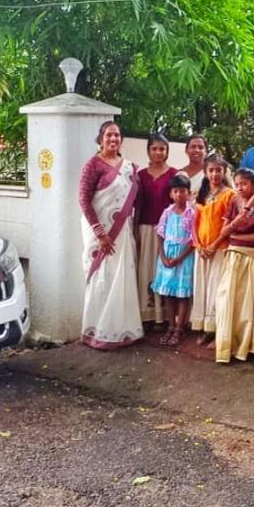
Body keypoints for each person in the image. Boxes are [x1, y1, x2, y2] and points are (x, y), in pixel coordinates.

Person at [77, 121, 144, 350]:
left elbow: (136, 202)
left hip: (122, 232)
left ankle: (124, 330)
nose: (113, 139)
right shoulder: (92, 165)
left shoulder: (130, 168)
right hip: (100, 234)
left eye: (117, 135)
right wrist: (100, 234)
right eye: (109, 135)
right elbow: (84, 200)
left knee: (122, 276)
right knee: (102, 278)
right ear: (101, 139)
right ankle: (98, 331)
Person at [213, 168, 254, 363]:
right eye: (237, 184)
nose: (240, 188)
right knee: (227, 299)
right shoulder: (234, 201)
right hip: (232, 256)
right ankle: (227, 344)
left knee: (246, 303)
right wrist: (236, 223)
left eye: (244, 184)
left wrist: (234, 236)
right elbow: (224, 231)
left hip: (251, 257)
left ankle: (247, 345)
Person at [190, 153, 234, 343]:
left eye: (218, 170)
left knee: (216, 287)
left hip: (220, 248)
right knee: (202, 286)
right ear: (205, 172)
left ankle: (215, 329)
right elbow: (194, 223)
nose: (215, 174)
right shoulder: (201, 195)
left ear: (224, 172)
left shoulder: (230, 195)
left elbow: (229, 224)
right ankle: (202, 326)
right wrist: (198, 245)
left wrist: (214, 245)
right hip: (201, 250)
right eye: (211, 170)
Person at [135, 133, 176, 329]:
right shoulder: (141, 175)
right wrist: (135, 229)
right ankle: (147, 315)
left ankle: (164, 316)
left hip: (167, 231)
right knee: (146, 269)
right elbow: (138, 204)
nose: (158, 152)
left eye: (162, 149)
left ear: (167, 152)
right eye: (154, 148)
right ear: (148, 151)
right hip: (145, 228)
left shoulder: (174, 174)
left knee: (164, 271)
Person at [151, 174, 196, 347]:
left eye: (182, 191)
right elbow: (160, 235)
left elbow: (193, 240)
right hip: (167, 257)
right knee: (168, 294)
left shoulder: (191, 214)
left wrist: (179, 258)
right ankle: (170, 326)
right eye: (175, 191)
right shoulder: (167, 212)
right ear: (171, 194)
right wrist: (163, 257)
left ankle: (179, 328)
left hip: (184, 258)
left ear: (189, 193)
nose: (179, 195)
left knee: (182, 295)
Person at [181, 135, 209, 199]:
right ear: (186, 150)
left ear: (206, 152)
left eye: (201, 147)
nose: (197, 150)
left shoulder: (213, 173)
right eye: (193, 147)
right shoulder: (179, 174)